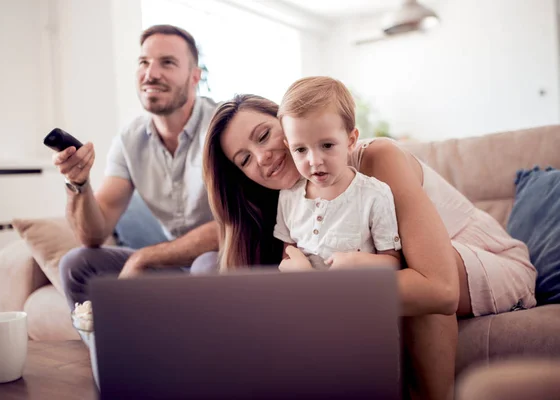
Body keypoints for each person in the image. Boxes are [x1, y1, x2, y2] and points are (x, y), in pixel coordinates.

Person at [201, 92, 537, 399]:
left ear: (287, 123)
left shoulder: (374, 159)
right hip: (412, 273)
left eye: (263, 135)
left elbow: (438, 288)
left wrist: (314, 284)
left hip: (490, 259)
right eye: (244, 159)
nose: (262, 157)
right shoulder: (289, 204)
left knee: (402, 274)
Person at [55, 24, 219, 310]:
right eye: (144, 62)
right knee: (76, 263)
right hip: (175, 268)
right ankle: (108, 351)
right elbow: (92, 234)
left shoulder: (223, 126)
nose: (150, 74)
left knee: (207, 266)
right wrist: (78, 184)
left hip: (224, 258)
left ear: (195, 76)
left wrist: (143, 258)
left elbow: (231, 227)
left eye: (167, 63)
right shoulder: (129, 140)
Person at [273, 77, 402, 272]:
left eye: (327, 145)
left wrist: (357, 262)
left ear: (351, 141)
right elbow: (288, 251)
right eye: (300, 149)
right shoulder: (288, 197)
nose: (315, 161)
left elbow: (393, 261)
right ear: (288, 147)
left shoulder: (374, 195)